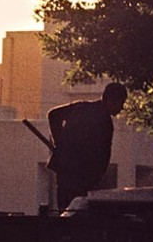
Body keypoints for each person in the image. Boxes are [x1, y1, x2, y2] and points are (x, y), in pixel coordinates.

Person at [47, 82, 127, 210]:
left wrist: (60, 143)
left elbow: (53, 115)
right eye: (121, 103)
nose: (121, 108)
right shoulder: (104, 122)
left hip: (68, 170)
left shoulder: (82, 107)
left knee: (65, 210)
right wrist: (60, 143)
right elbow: (102, 156)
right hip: (82, 177)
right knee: (76, 212)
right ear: (112, 100)